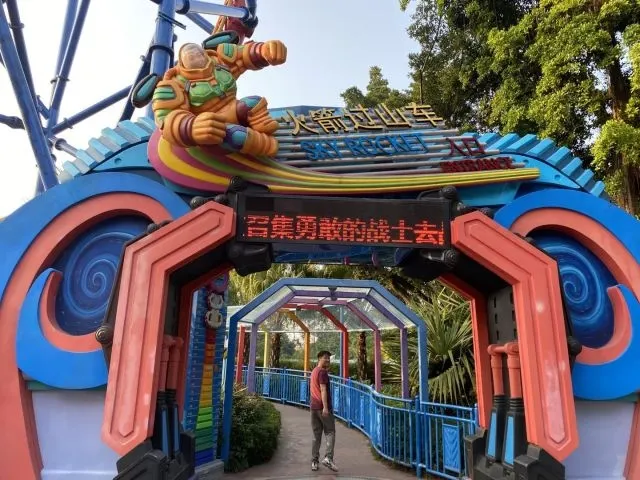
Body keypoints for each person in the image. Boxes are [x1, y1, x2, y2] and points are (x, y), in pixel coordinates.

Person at [310, 350, 338, 472]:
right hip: (322, 408)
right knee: (330, 432)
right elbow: (323, 390)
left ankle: (314, 461)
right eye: (325, 358)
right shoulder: (322, 373)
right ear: (319, 358)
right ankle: (328, 458)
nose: (327, 360)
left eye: (328, 358)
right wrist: (326, 407)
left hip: (314, 407)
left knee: (316, 435)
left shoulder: (314, 371)